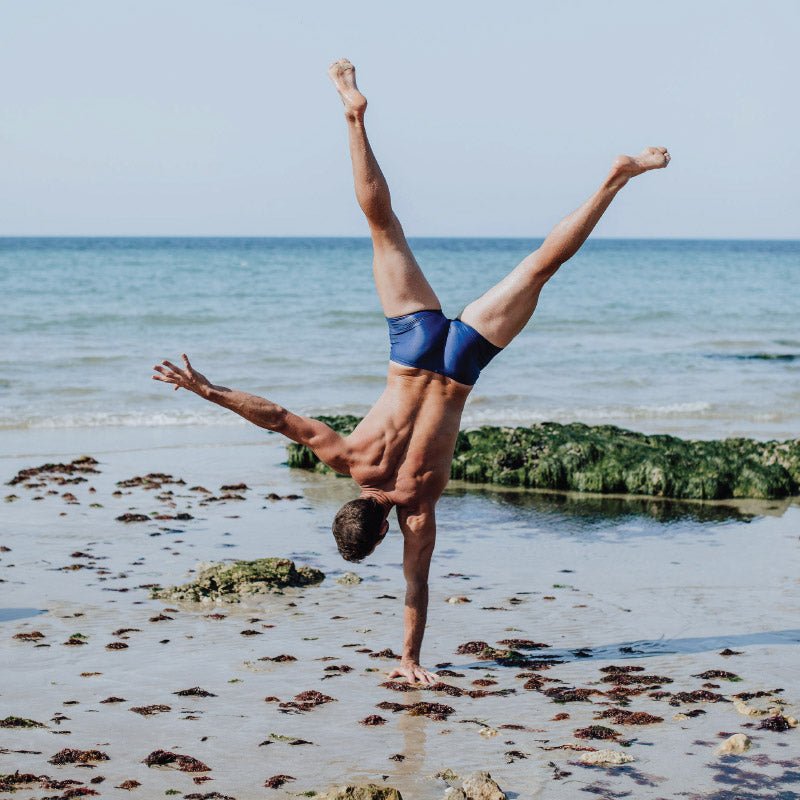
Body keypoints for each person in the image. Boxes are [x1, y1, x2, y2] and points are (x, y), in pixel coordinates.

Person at [153, 59, 670, 684]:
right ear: (350, 504)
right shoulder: (348, 458)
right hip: (413, 345)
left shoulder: (419, 510)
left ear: (380, 532)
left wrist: (408, 660)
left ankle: (615, 180)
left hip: (461, 367)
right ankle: (353, 115)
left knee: (538, 269)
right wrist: (207, 390)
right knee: (382, 227)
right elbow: (279, 419)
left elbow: (415, 588)